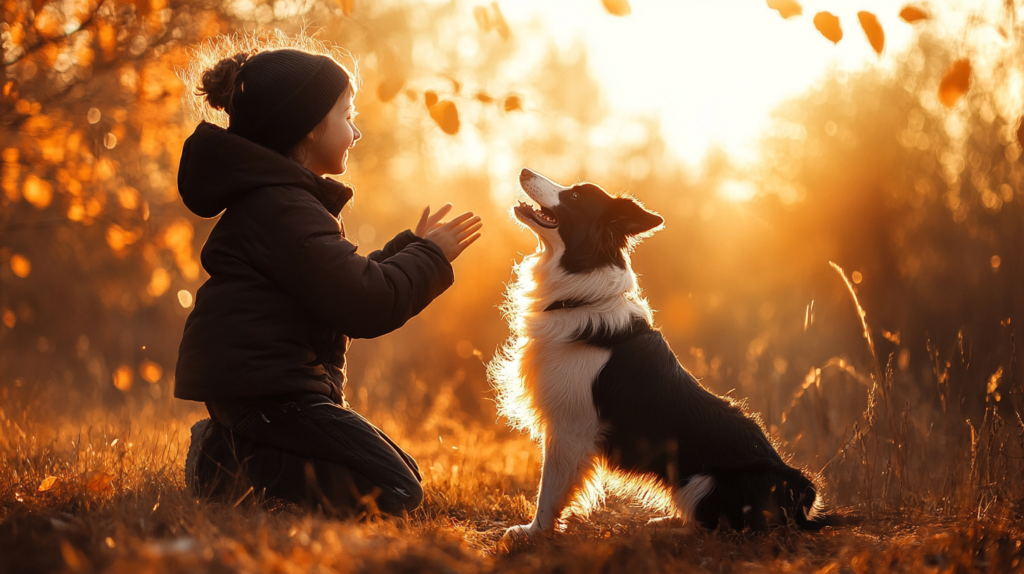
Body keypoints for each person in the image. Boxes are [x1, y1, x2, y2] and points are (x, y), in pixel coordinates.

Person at [175, 43, 481, 517]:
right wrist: (431, 256)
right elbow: (364, 302)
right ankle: (222, 465)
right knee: (395, 490)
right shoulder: (283, 209)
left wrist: (408, 247)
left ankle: (231, 446)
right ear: (309, 126)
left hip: (269, 392)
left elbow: (338, 283)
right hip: (269, 396)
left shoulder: (284, 203)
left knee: (403, 474)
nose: (356, 131)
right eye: (346, 115)